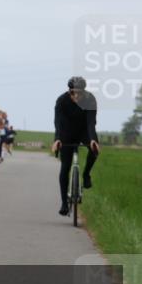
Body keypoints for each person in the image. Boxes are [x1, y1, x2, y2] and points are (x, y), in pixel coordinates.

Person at [51, 77, 100, 217]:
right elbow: (57, 122)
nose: (76, 96)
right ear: (69, 91)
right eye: (73, 93)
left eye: (79, 93)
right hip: (66, 132)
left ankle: (85, 175)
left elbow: (91, 122)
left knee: (94, 148)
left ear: (84, 92)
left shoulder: (90, 99)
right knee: (65, 166)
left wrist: (92, 140)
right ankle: (64, 203)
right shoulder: (61, 100)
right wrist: (58, 139)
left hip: (84, 131)